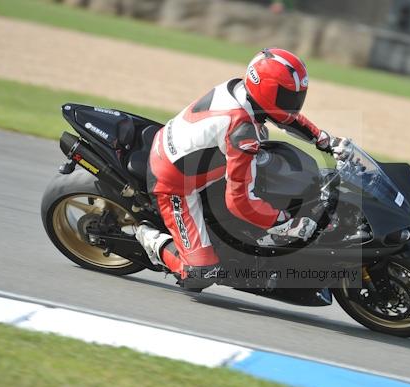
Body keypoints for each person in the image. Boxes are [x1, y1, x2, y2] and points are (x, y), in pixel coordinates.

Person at [135, 48, 349, 289]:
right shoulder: (241, 129)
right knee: (200, 274)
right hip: (174, 183)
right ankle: (148, 236)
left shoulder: (243, 90)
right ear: (267, 90)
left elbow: (285, 117)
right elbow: (239, 202)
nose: (293, 104)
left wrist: (325, 140)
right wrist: (284, 222)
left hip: (191, 154)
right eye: (287, 96)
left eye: (297, 96)